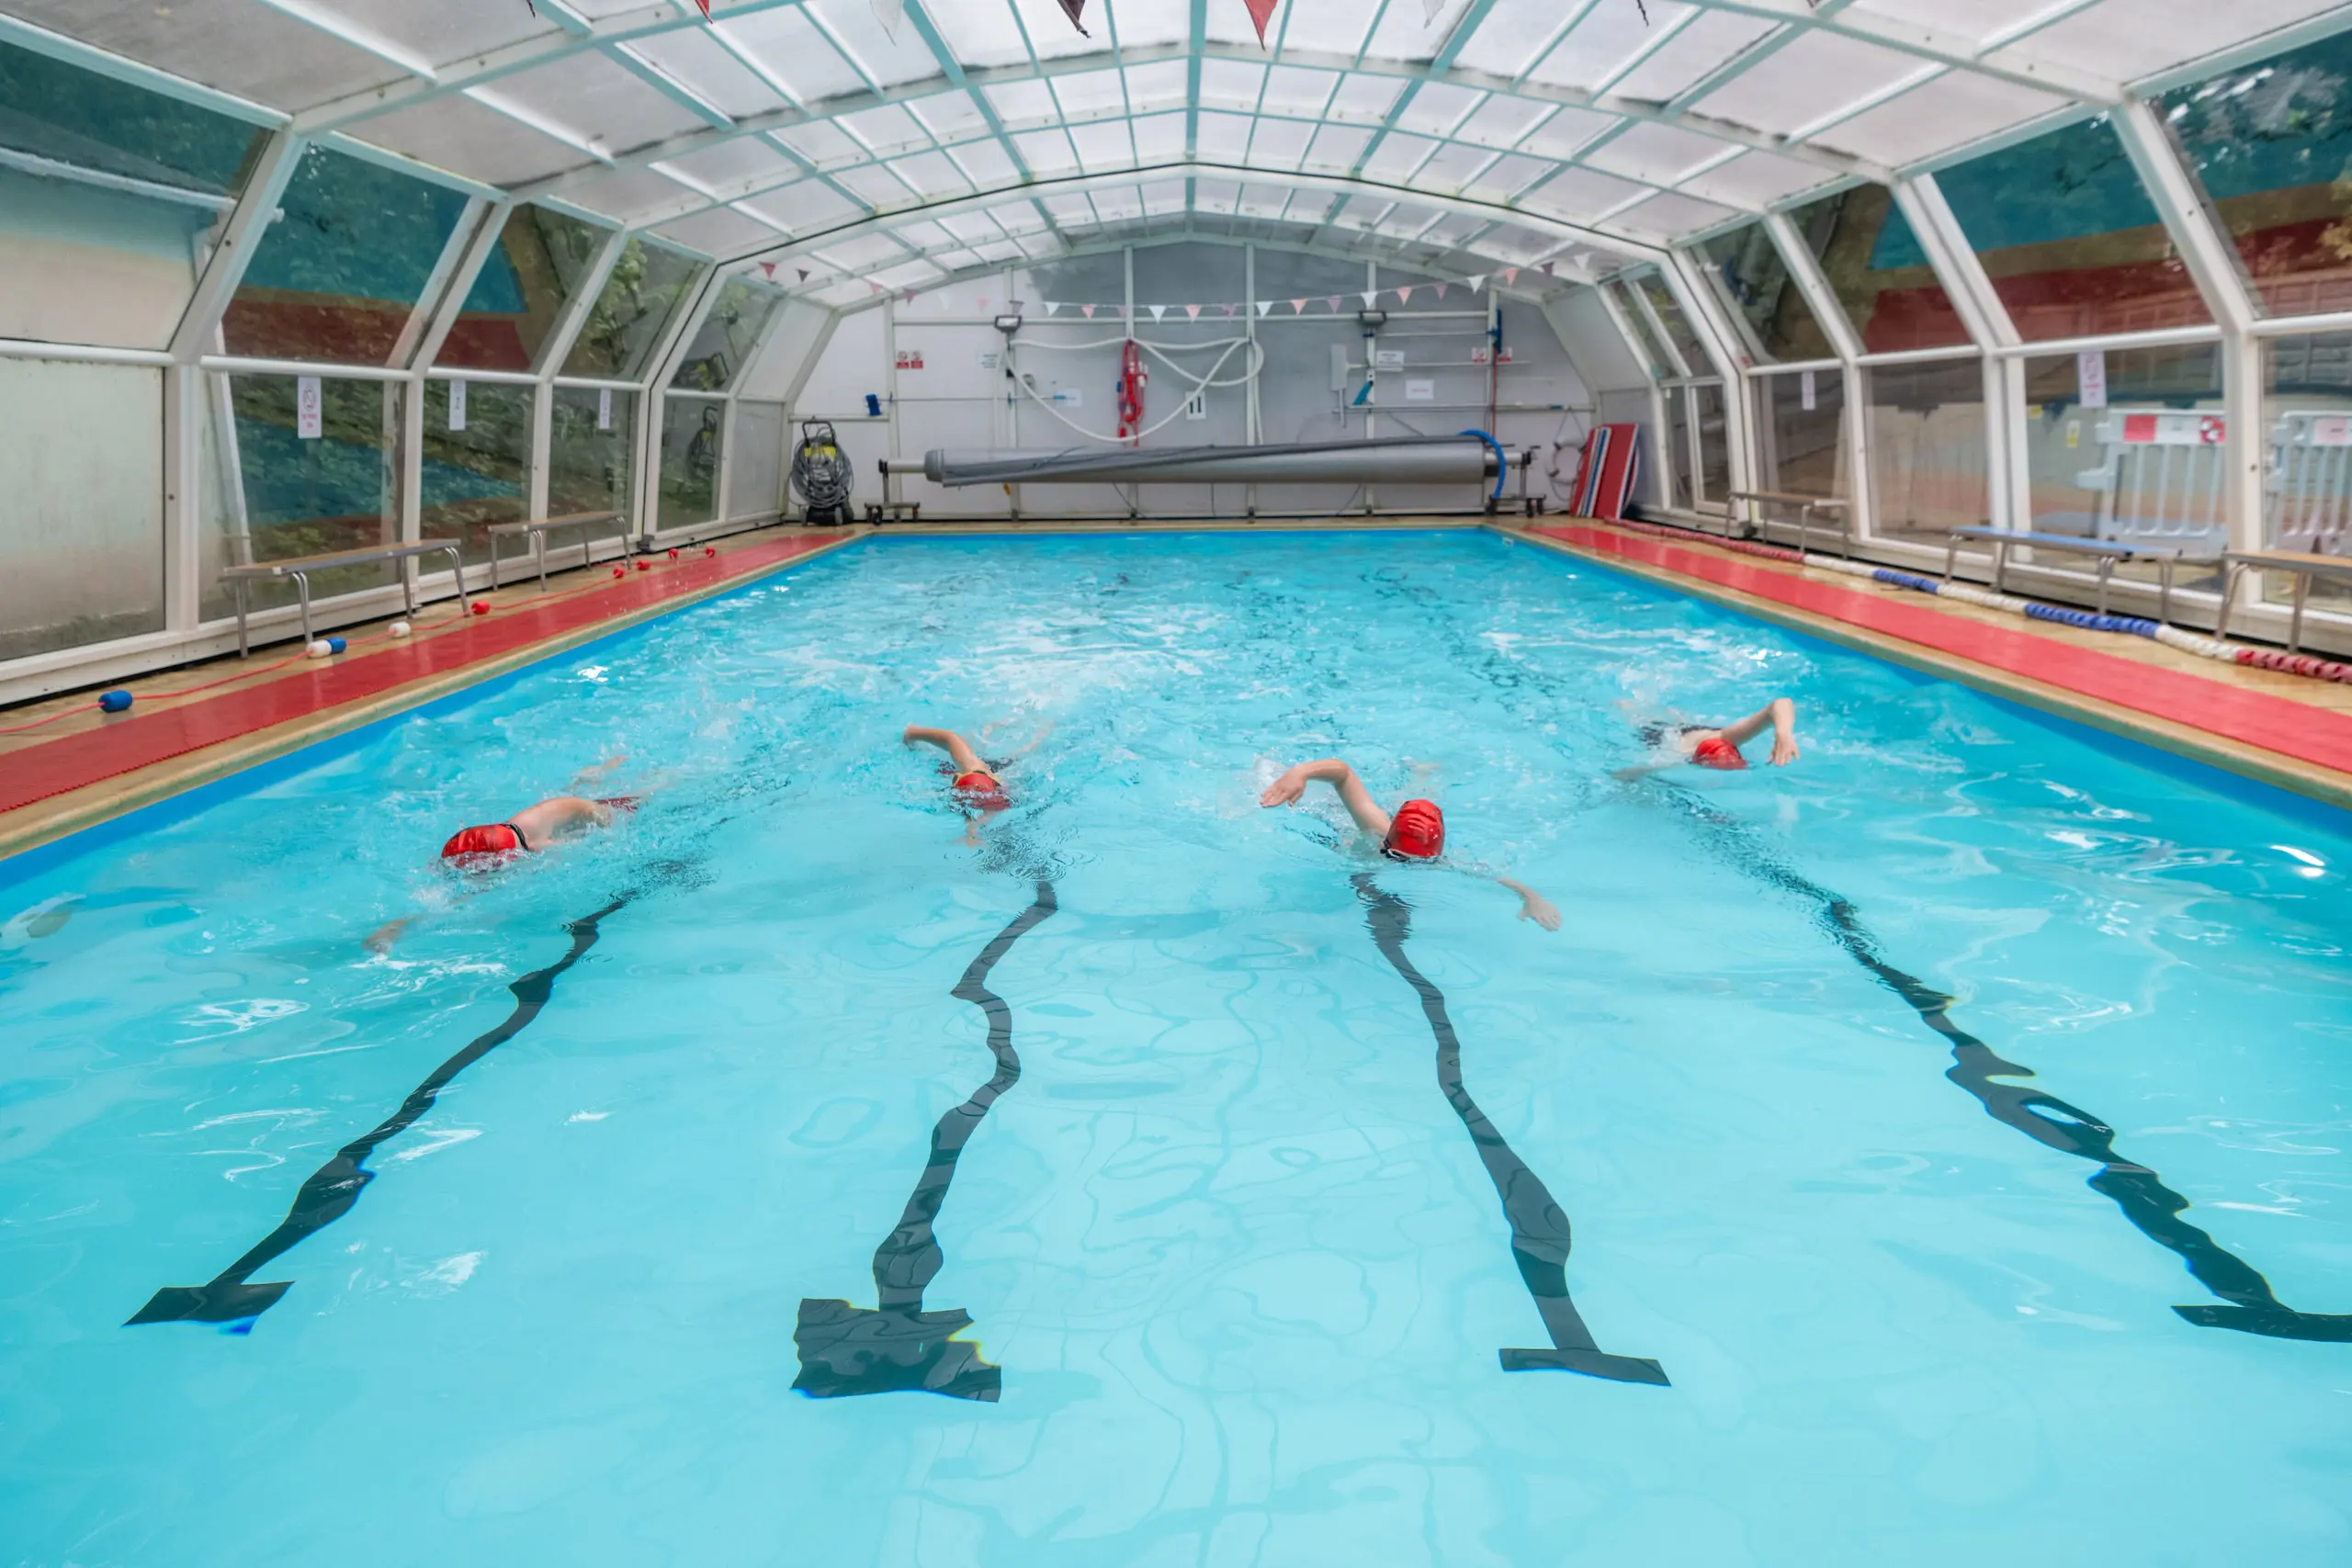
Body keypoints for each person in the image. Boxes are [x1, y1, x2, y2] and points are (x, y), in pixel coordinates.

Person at [367, 757, 642, 953]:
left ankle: (593, 774)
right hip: (514, 839)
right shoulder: (520, 842)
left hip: (561, 819)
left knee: (633, 800)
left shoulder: (544, 828)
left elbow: (591, 818)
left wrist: (608, 828)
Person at [1258, 757, 1560, 930]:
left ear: (1435, 857)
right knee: (1400, 799)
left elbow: (1497, 877)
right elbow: (1343, 772)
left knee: (1422, 795)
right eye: (1394, 856)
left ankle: (1425, 775)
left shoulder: (1442, 862)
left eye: (1416, 862)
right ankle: (1421, 774)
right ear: (1386, 840)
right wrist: (1300, 773)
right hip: (1355, 821)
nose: (1401, 865)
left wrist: (1531, 897)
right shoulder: (1376, 827)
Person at [1616, 697, 1799, 780]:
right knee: (1639, 717)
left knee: (1680, 720)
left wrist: (1783, 734)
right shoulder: (1677, 755)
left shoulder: (1726, 737)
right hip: (1661, 734)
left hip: (1695, 730)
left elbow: (1782, 703)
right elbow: (1631, 772)